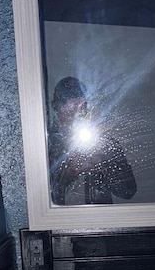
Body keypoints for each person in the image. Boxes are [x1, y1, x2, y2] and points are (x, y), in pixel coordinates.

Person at [48, 77, 137, 205]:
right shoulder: (43, 144)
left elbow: (128, 191)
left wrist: (104, 165)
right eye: (69, 109)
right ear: (55, 106)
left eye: (80, 109)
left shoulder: (103, 143)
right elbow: (37, 196)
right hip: (60, 222)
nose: (74, 115)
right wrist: (69, 173)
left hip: (100, 221)